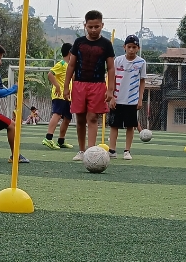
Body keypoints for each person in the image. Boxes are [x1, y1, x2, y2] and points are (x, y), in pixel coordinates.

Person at [63, 12, 116, 160]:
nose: (93, 30)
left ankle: (90, 151)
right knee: (80, 118)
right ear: (85, 25)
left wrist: (110, 89)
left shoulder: (106, 44)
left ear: (102, 25)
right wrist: (66, 87)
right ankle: (81, 151)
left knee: (92, 117)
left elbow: (111, 68)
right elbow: (71, 65)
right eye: (90, 27)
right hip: (79, 85)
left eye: (97, 26)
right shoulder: (79, 42)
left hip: (98, 85)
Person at [107, 35, 147, 158]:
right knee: (114, 125)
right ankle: (112, 150)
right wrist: (112, 97)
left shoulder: (141, 62)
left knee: (130, 126)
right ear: (124, 47)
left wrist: (140, 98)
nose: (131, 49)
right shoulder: (118, 60)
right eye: (129, 47)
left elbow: (142, 81)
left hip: (132, 100)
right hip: (117, 98)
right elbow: (112, 78)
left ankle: (127, 151)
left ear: (138, 48)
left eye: (134, 47)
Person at [44, 45, 73, 146]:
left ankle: (61, 140)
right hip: (59, 95)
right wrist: (57, 86)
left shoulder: (69, 66)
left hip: (67, 97)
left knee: (67, 118)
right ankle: (48, 138)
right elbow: (50, 74)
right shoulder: (61, 64)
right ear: (70, 52)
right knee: (57, 114)